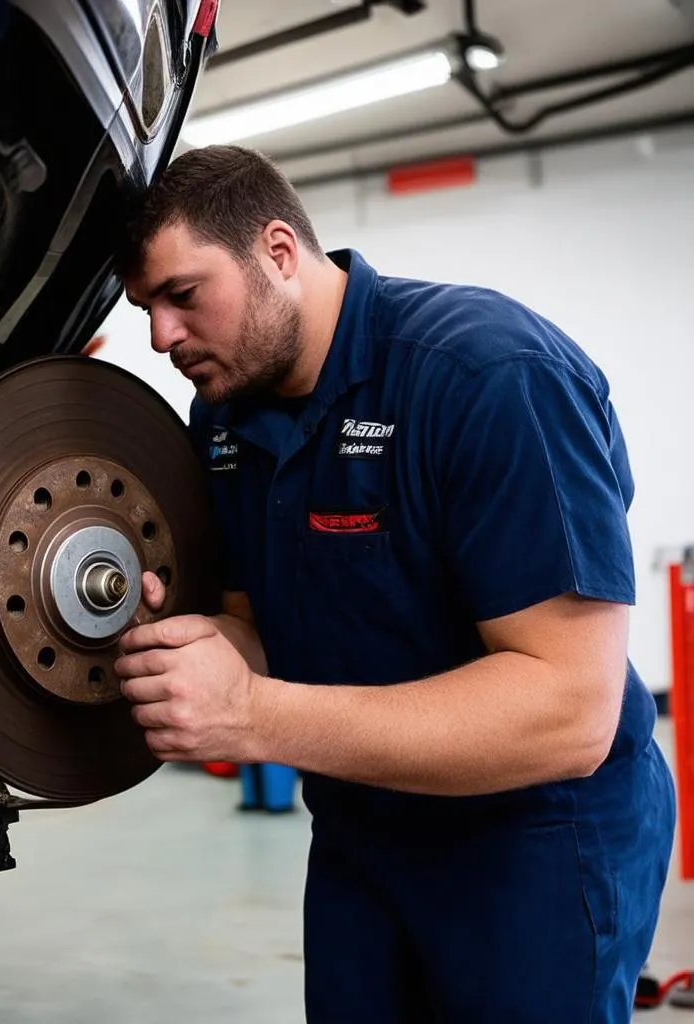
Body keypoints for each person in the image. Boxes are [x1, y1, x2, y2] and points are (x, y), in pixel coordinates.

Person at [109, 144, 677, 1022]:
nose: (161, 337)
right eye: (147, 307)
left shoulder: (489, 378)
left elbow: (570, 712)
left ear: (279, 253)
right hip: (360, 823)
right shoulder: (224, 420)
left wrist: (252, 715)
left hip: (530, 834)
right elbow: (251, 625)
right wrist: (184, 651)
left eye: (183, 296)